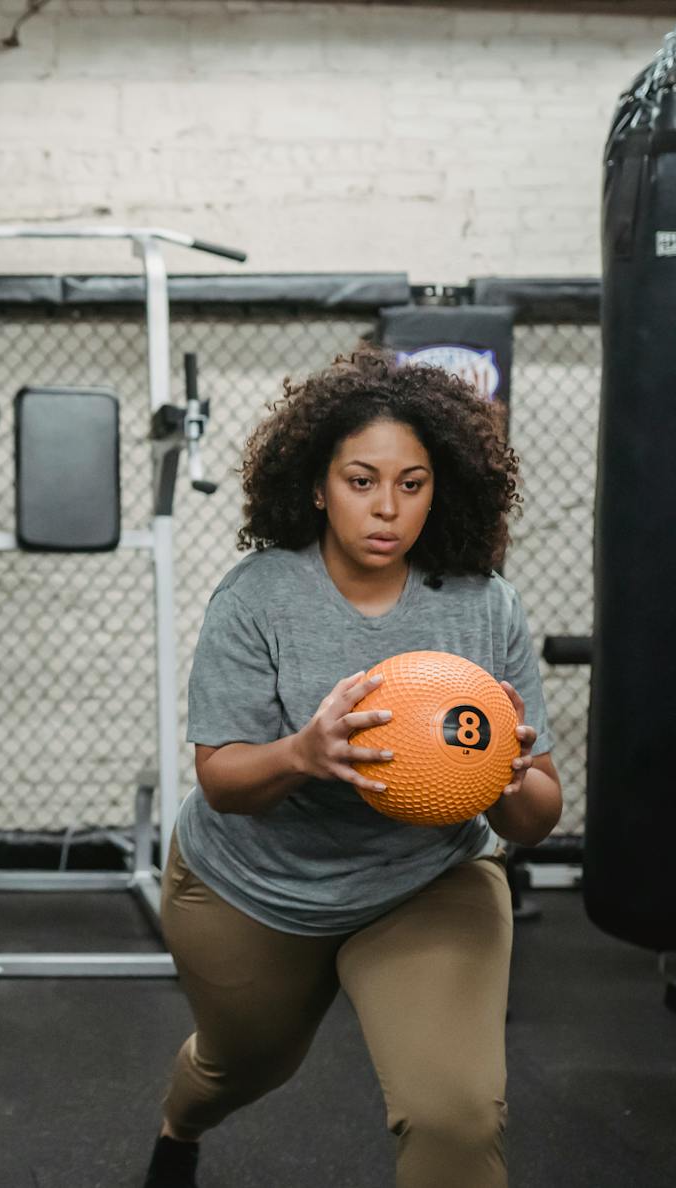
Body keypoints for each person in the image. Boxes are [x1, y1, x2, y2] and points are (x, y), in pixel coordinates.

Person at [144, 349, 562, 1188]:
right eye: (361, 481)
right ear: (314, 485)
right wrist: (305, 753)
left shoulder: (483, 605)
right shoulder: (258, 595)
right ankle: (177, 1127)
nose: (387, 509)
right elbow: (221, 780)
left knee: (455, 1115)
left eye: (411, 484)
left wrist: (511, 782)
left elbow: (538, 809)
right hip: (253, 884)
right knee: (242, 1067)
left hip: (424, 878)